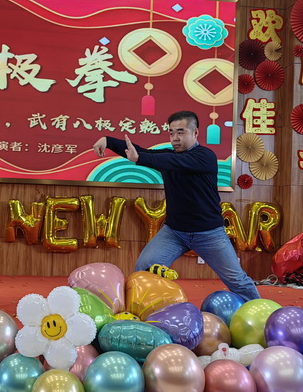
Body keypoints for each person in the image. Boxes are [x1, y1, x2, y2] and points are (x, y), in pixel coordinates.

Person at [93, 110, 260, 302]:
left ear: (195, 133)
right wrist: (108, 141)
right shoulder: (169, 156)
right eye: (171, 133)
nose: (175, 138)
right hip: (174, 232)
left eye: (181, 132)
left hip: (209, 233)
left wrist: (141, 159)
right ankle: (147, 310)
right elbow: (142, 152)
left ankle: (260, 313)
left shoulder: (204, 156)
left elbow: (174, 161)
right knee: (144, 270)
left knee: (237, 280)